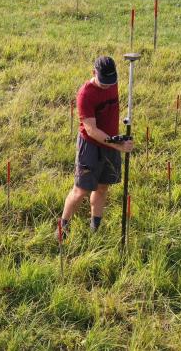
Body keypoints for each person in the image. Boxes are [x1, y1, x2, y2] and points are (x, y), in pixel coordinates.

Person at [58, 56, 133, 238]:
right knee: (81, 191)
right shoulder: (85, 95)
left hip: (111, 142)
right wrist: (118, 145)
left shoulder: (112, 82)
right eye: (103, 82)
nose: (108, 86)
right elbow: (91, 130)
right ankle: (62, 230)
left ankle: (95, 230)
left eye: (111, 82)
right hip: (90, 146)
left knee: (102, 188)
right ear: (93, 73)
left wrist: (116, 142)